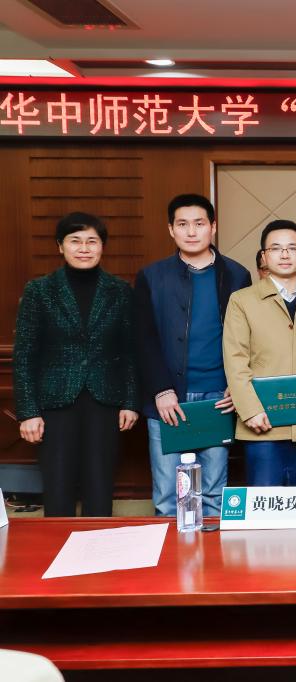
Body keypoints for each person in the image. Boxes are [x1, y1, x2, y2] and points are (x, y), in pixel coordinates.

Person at [13, 212, 139, 516]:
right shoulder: (39, 291)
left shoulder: (120, 291)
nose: (84, 248)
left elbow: (130, 351)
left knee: (100, 488)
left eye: (92, 241)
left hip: (105, 402)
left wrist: (131, 402)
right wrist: (28, 412)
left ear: (102, 246)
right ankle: (57, 545)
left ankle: (97, 545)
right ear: (60, 246)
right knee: (58, 489)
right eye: (75, 241)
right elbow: (25, 355)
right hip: (54, 403)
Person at [135, 194, 251, 518]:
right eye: (182, 224)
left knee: (214, 495)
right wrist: (161, 389)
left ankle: (213, 553)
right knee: (168, 497)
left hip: (218, 397)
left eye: (199, 223)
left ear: (213, 227)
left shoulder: (237, 275)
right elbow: (143, 339)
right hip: (168, 399)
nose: (191, 231)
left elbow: (247, 338)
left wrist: (236, 385)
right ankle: (173, 552)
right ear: (171, 229)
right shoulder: (151, 276)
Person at [223, 219, 296, 514]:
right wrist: (250, 410)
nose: (284, 254)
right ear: (264, 256)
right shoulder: (242, 301)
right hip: (262, 424)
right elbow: (236, 360)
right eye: (276, 248)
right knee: (264, 506)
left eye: (292, 248)